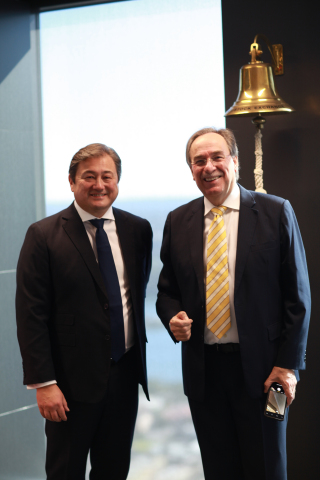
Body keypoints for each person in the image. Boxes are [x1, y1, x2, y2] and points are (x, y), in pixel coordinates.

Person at [156, 127, 311, 480]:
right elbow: (167, 292)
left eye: (216, 157)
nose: (208, 166)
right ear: (191, 170)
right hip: (204, 376)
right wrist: (171, 317)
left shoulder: (276, 212)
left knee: (270, 467)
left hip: (271, 376)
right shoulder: (178, 221)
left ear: (235, 163)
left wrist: (287, 367)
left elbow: (298, 298)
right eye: (199, 161)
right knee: (219, 469)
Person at [16, 143, 152, 480]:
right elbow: (31, 315)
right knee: (65, 471)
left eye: (107, 176)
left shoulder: (138, 230)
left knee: (114, 470)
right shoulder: (43, 235)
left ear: (118, 181)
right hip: (68, 384)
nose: (99, 184)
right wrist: (44, 383)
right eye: (88, 176)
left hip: (124, 377)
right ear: (72, 182)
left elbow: (133, 295)